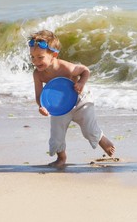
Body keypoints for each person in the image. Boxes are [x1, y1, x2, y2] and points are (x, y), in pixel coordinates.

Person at [29, 30, 115, 168]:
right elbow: (39, 96)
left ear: (54, 55)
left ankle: (101, 139)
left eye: (40, 57)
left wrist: (81, 83)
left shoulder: (67, 68)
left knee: (89, 129)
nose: (35, 61)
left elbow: (85, 70)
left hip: (81, 99)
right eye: (32, 57)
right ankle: (61, 158)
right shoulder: (38, 74)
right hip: (59, 105)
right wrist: (42, 107)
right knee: (56, 133)